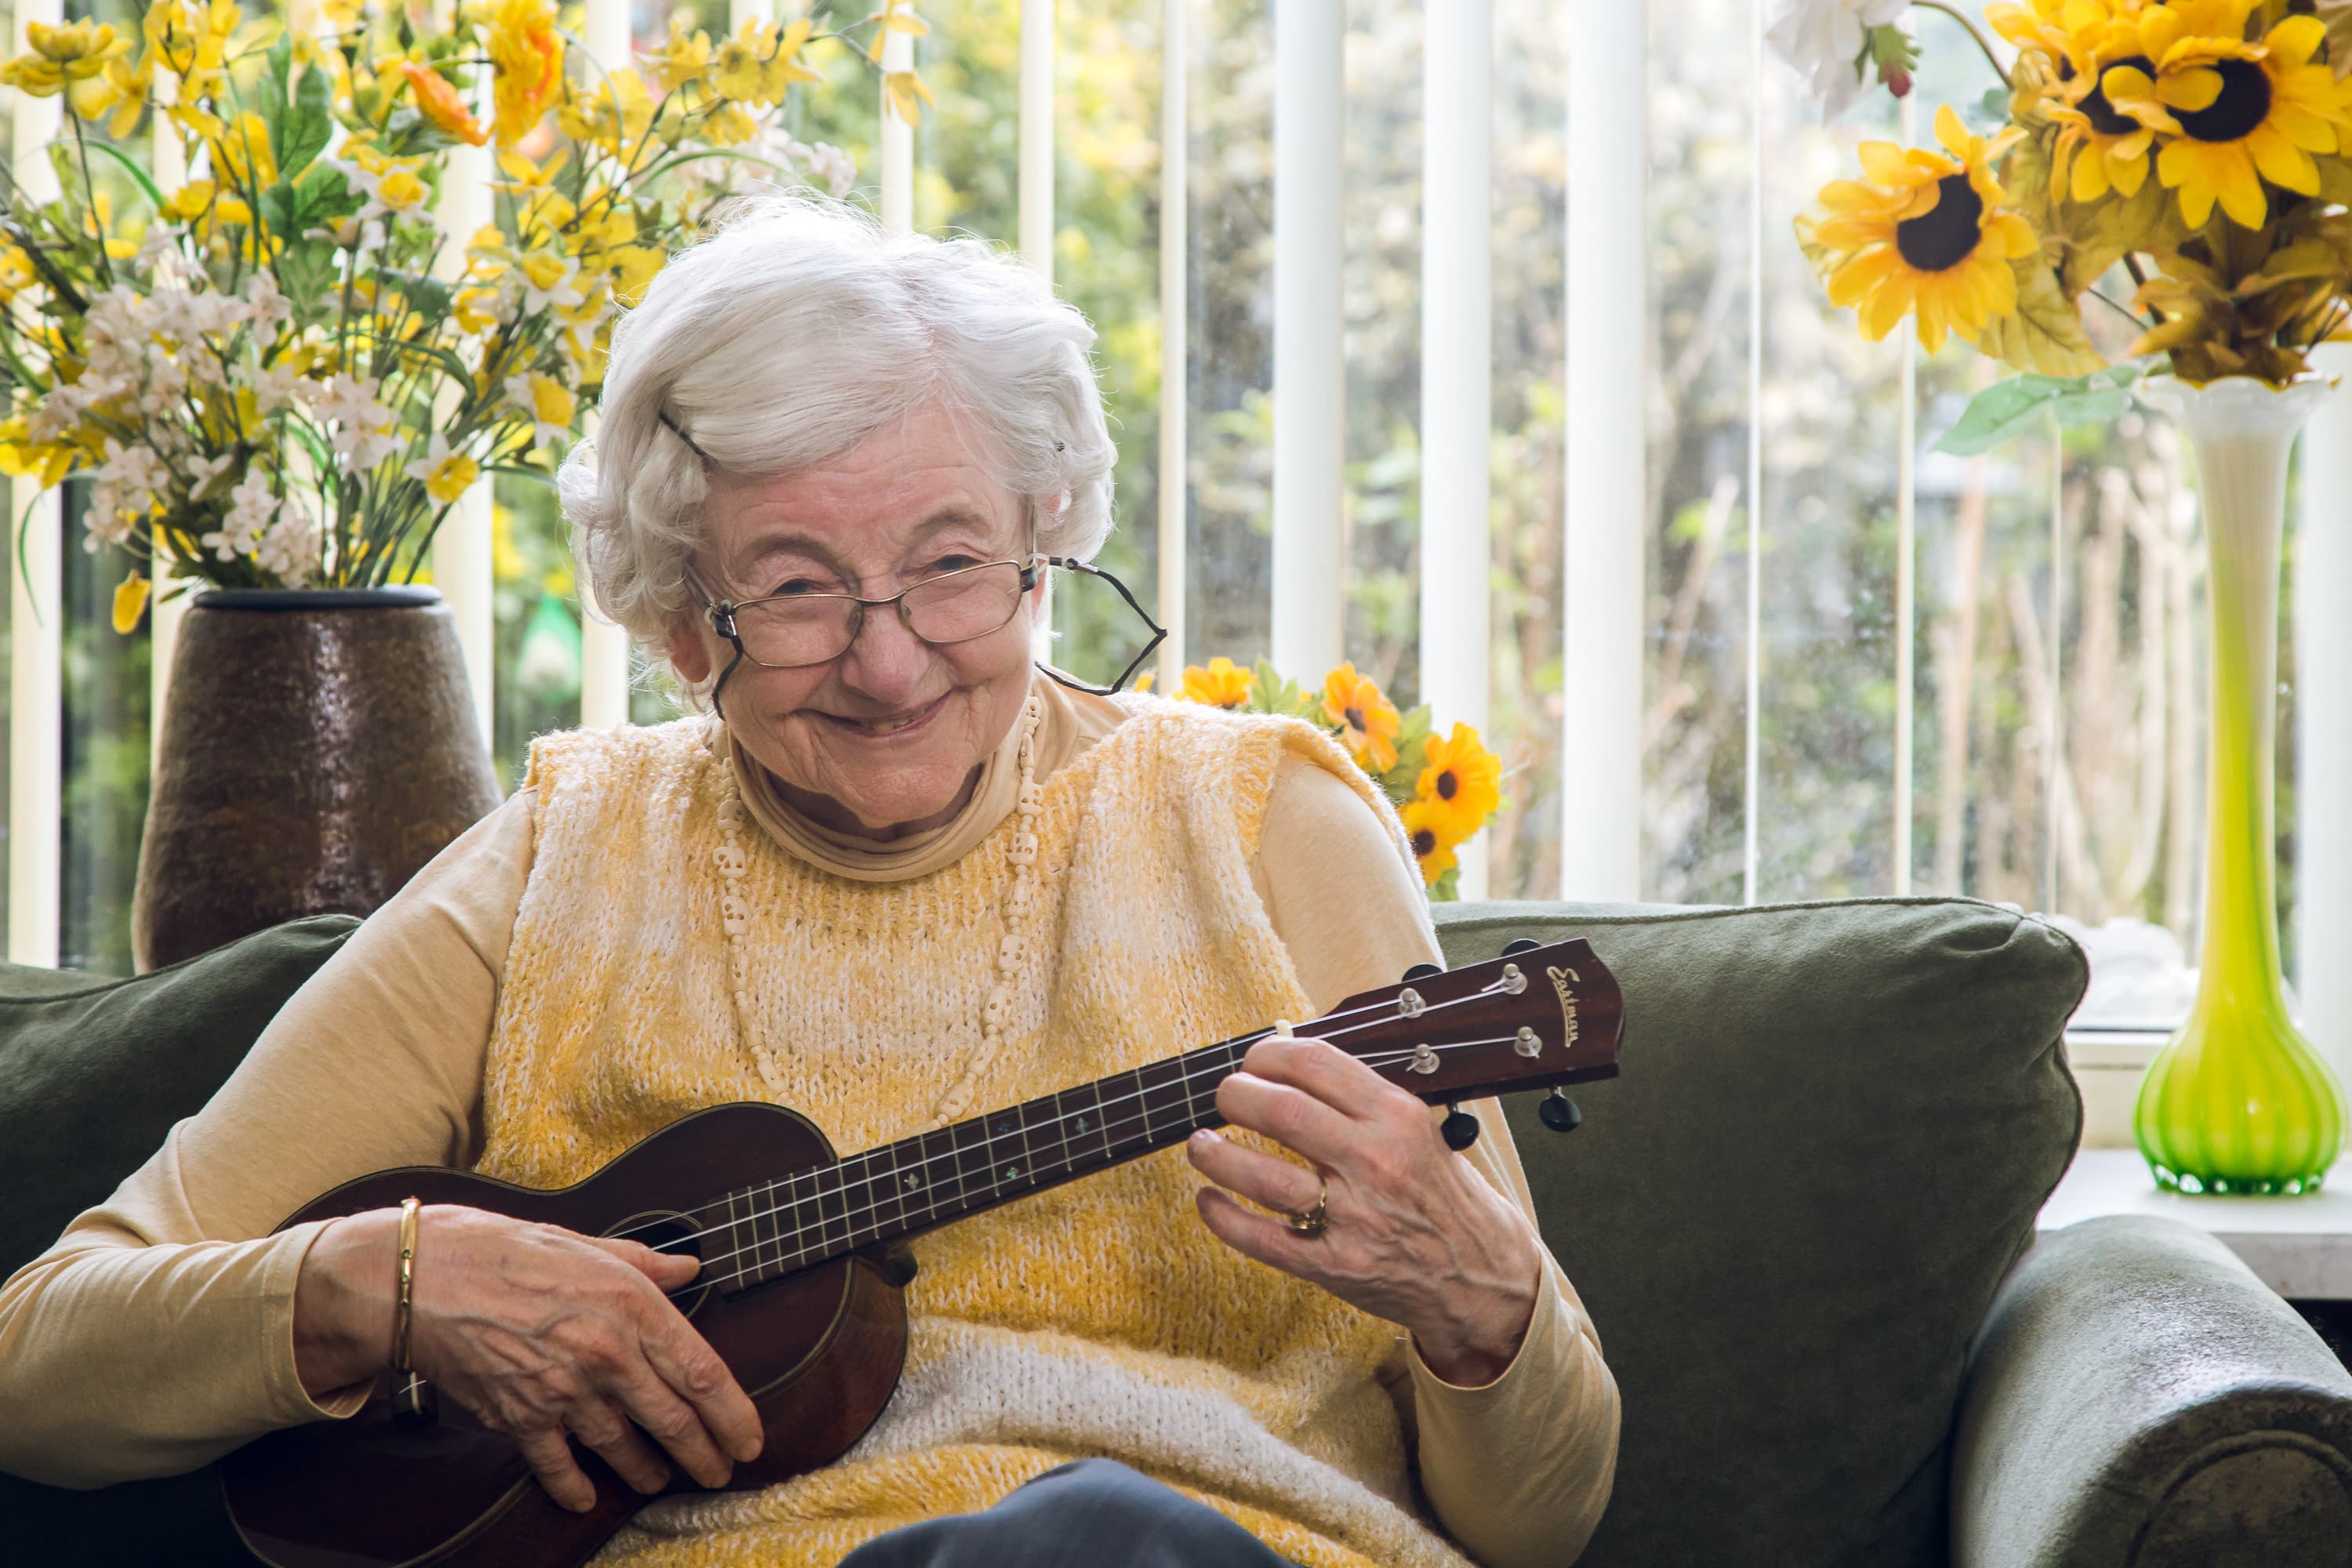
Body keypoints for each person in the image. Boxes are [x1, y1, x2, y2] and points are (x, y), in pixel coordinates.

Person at [0, 196, 1617, 1568]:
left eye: (952, 564)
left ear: (1045, 536)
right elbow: (37, 1357)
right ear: (677, 618)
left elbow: (1544, 1524)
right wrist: (390, 1283)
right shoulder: (566, 857)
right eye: (796, 591)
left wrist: (1482, 1304)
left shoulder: (1267, 827)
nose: (891, 662)